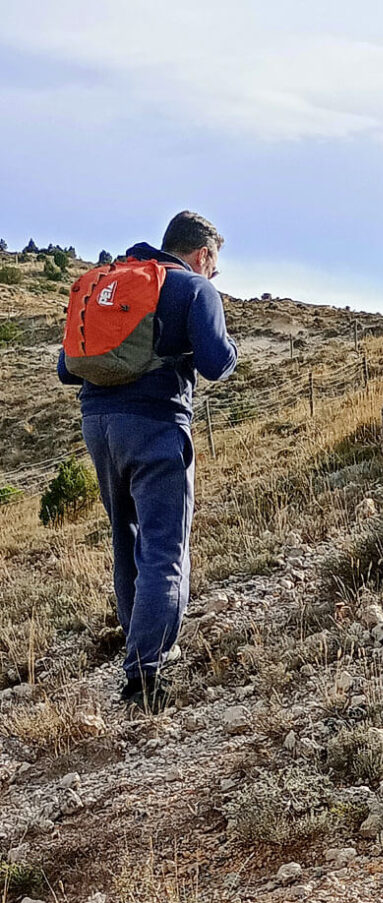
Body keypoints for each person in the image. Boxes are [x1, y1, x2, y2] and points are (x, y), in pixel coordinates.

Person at [57, 210, 238, 711]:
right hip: (157, 427)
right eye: (214, 266)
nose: (213, 275)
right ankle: (144, 678)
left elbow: (66, 370)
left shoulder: (108, 284)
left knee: (127, 542)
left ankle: (141, 663)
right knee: (164, 551)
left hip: (99, 428)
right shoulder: (194, 289)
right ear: (202, 255)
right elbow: (216, 363)